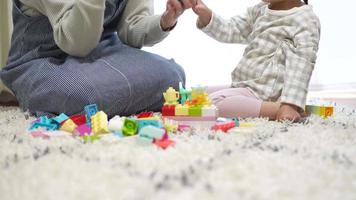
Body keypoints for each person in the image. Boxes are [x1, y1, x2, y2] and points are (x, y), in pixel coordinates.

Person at [0, 0, 194, 117]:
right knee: (82, 94)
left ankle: (105, 95)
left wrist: (166, 19)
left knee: (173, 76)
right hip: (41, 58)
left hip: (103, 51)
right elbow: (77, 43)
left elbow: (132, 30)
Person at [192, 0, 320, 121]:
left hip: (266, 93)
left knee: (212, 103)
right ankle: (257, 105)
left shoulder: (305, 19)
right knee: (196, 95)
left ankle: (276, 109)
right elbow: (233, 29)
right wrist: (207, 16)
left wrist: (290, 105)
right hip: (247, 85)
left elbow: (302, 66)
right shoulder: (260, 10)